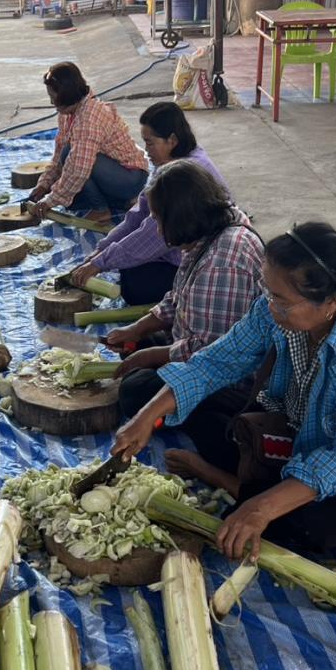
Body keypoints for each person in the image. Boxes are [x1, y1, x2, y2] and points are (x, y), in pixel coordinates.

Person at [112, 223, 336, 561]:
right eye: (268, 292)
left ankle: (224, 478)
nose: (269, 306)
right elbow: (216, 361)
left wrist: (260, 509)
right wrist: (145, 417)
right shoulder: (280, 308)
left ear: (329, 302)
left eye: (280, 300)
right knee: (144, 391)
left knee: (304, 527)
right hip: (298, 424)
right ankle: (249, 486)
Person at [111, 161, 265, 466]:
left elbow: (210, 354)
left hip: (237, 378)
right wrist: (139, 329)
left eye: (158, 220)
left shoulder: (223, 263)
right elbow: (178, 297)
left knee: (134, 391)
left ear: (180, 216)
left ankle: (204, 428)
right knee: (138, 348)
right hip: (208, 351)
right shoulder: (210, 232)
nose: (156, 229)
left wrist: (150, 357)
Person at [68, 102, 228, 305]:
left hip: (204, 265)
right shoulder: (168, 164)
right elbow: (137, 215)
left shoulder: (184, 175)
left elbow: (152, 236)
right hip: (183, 250)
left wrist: (100, 263)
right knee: (128, 263)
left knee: (134, 282)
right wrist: (101, 250)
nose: (146, 150)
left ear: (172, 140)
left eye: (150, 143)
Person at [27, 63, 150, 225]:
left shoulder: (90, 117)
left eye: (53, 96)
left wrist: (50, 201)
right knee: (71, 195)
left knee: (71, 157)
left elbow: (79, 168)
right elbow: (58, 156)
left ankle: (101, 210)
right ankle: (120, 202)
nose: (51, 102)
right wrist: (44, 184)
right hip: (110, 174)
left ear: (65, 95)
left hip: (130, 177)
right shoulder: (67, 113)